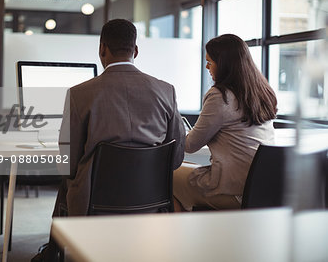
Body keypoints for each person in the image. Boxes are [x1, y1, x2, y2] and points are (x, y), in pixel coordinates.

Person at [32, 18, 186, 261]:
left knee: (68, 184)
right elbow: (176, 158)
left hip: (96, 203)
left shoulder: (79, 94)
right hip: (151, 202)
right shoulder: (166, 91)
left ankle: (52, 254)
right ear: (135, 50)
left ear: (102, 48)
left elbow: (68, 164)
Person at [172, 34, 277, 212]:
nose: (207, 67)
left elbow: (190, 145)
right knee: (186, 168)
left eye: (210, 62)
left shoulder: (219, 96)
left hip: (230, 191)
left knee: (165, 173)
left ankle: (182, 234)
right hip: (259, 189)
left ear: (224, 65)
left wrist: (171, 129)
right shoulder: (262, 92)